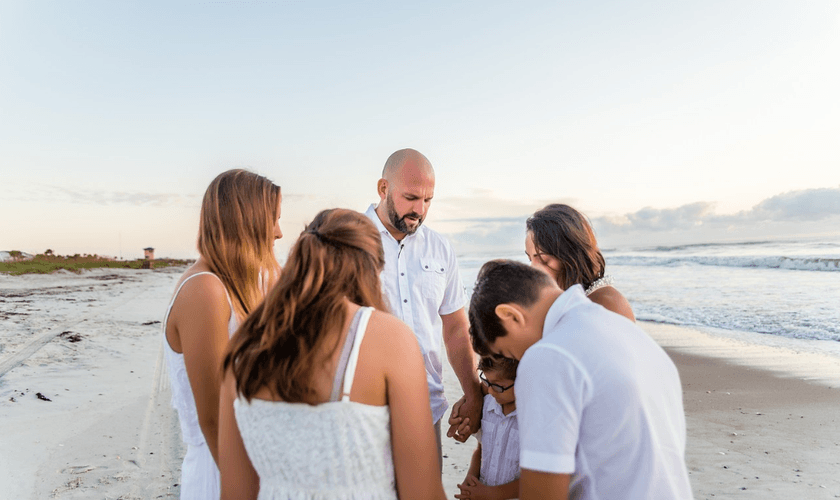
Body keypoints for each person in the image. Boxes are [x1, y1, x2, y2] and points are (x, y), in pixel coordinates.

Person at [218, 208, 446, 500]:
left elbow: (234, 493)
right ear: (372, 269)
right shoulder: (389, 339)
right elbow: (422, 492)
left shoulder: (244, 346)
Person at [468, 260, 693, 500]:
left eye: (510, 353)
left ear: (510, 315)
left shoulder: (548, 356)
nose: (519, 361)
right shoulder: (631, 335)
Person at [163, 169, 282, 499]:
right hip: (220, 473)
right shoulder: (205, 290)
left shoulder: (238, 285)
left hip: (248, 462)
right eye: (272, 219)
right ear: (245, 221)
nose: (279, 232)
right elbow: (215, 418)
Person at [364, 148, 483, 463]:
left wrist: (473, 394)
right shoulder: (348, 241)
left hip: (424, 408)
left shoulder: (441, 249)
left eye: (428, 200)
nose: (420, 209)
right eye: (411, 198)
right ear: (383, 188)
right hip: (362, 409)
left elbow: (456, 328)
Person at [526, 203, 634, 321]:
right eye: (530, 259)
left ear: (571, 255)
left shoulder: (605, 304)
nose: (532, 268)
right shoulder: (569, 300)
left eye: (544, 260)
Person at [456, 356, 520, 500]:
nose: (490, 391)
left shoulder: (534, 419)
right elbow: (480, 450)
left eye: (497, 386)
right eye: (487, 382)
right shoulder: (488, 405)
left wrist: (491, 494)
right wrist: (470, 480)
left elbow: (536, 477)